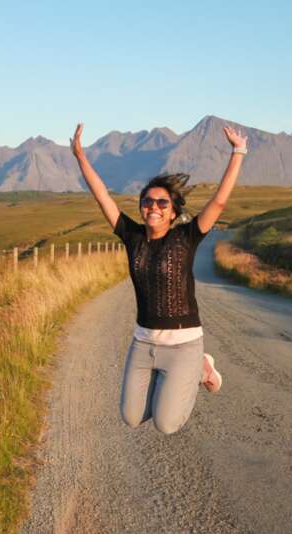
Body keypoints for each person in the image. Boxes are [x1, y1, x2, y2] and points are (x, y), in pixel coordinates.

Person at [70, 122, 248, 434]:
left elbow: (219, 202)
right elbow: (102, 197)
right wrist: (80, 156)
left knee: (166, 424)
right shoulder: (132, 236)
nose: (153, 207)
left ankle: (199, 368)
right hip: (143, 343)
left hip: (184, 344)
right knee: (132, 417)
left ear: (173, 211)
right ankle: (188, 372)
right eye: (147, 201)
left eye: (162, 203)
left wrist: (238, 151)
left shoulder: (186, 237)